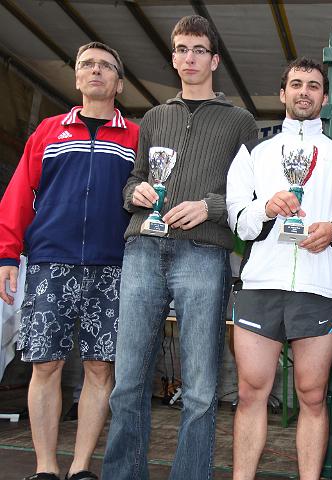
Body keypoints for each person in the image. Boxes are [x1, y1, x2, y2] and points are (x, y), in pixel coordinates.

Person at [101, 15, 257, 480]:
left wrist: (209, 206)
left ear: (214, 59)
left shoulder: (240, 122)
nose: (190, 58)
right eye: (182, 50)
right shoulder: (153, 117)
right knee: (127, 383)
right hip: (143, 250)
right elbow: (131, 181)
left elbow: (252, 195)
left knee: (201, 389)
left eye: (199, 50)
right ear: (173, 58)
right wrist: (138, 194)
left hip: (203, 255)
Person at [0, 42, 138, 480]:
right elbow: (20, 193)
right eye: (86, 65)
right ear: (77, 77)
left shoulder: (136, 137)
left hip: (113, 267)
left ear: (119, 82)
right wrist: (7, 254)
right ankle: (45, 468)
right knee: (45, 365)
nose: (95, 71)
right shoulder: (47, 131)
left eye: (105, 66)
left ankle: (80, 468)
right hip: (49, 264)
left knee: (101, 367)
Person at [226, 56, 332, 480]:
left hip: (318, 286)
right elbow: (236, 219)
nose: (305, 92)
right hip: (260, 284)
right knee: (251, 392)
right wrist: (264, 208)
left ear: (324, 97)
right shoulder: (256, 152)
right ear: (282, 93)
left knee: (313, 394)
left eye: (314, 86)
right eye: (297, 84)